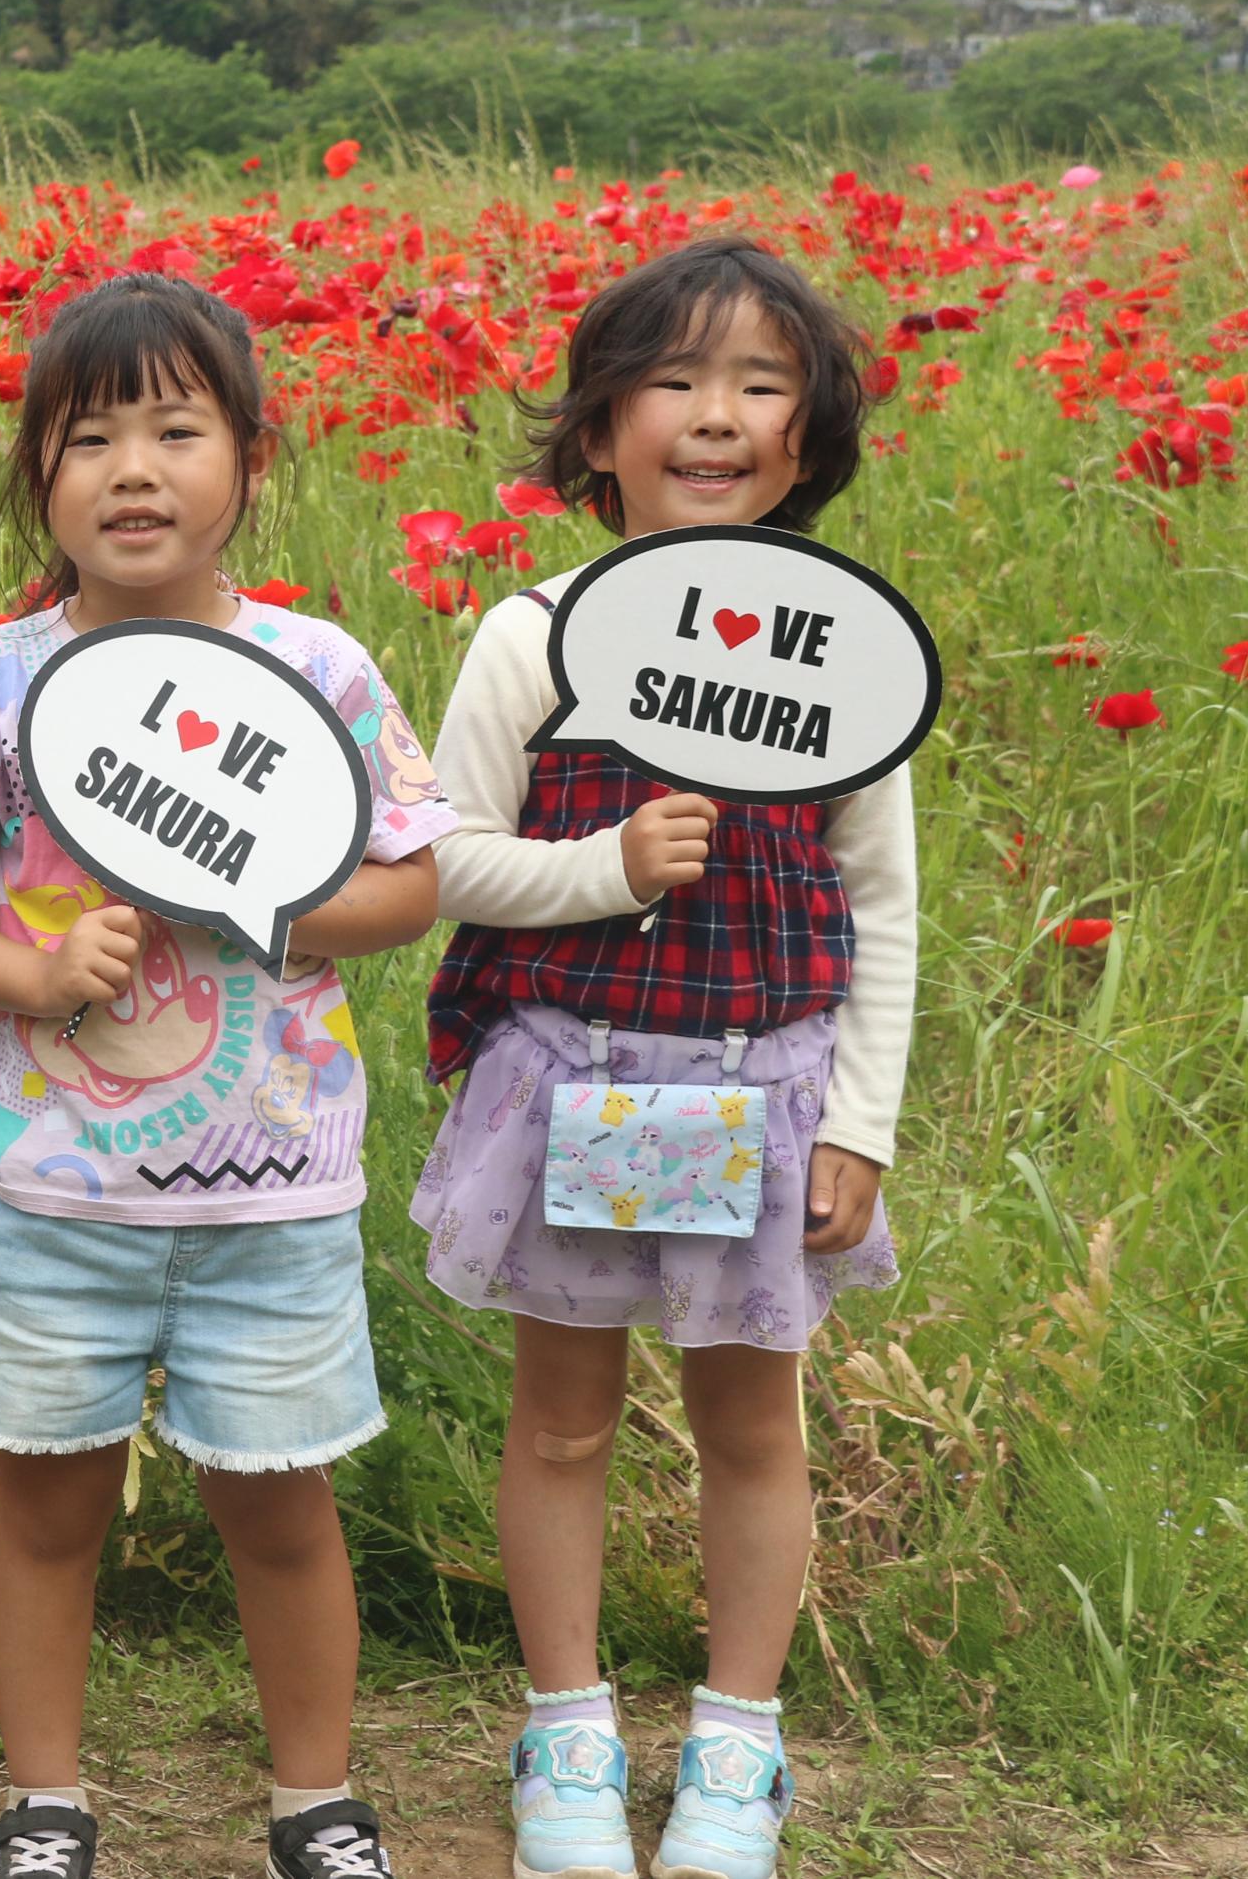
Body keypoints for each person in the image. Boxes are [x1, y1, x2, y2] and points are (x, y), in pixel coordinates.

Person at [0, 273, 454, 1879]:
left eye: (174, 431)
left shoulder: (319, 673)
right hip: (46, 1185)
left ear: (251, 462)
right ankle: (45, 1806)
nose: (133, 469)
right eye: (88, 438)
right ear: (35, 479)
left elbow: (407, 887)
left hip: (274, 1186)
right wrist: (35, 975)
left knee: (279, 1507)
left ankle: (313, 1806)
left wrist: (253, 904)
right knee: (43, 1507)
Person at [409, 237, 911, 1879]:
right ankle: (562, 1729)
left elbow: (879, 907)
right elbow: (443, 861)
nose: (715, 417)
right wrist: (603, 871)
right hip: (571, 1072)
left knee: (749, 1424)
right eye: (674, 382)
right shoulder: (530, 634)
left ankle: (733, 1754)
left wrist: (860, 1124)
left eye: (759, 386)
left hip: (759, 1081)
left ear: (808, 437)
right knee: (559, 1420)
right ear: (601, 426)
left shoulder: (844, 660)